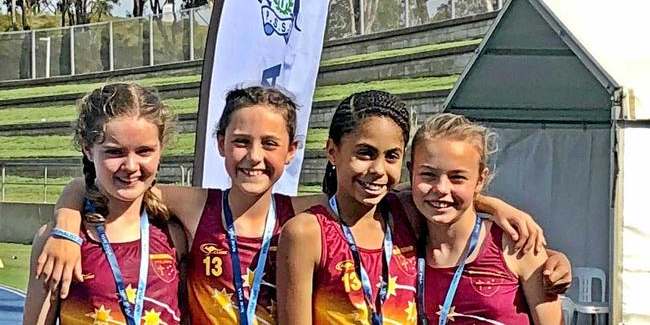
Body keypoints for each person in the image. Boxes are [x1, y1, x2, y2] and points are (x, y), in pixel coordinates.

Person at [36, 87, 565, 325]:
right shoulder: (194, 209)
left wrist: (496, 207)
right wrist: (64, 219)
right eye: (241, 142)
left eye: (270, 145)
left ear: (293, 152)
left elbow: (425, 193)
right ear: (220, 143)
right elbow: (117, 187)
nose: (254, 157)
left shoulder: (306, 214)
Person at [275, 91, 570, 324]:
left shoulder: (404, 217)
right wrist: (494, 206)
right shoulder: (310, 231)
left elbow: (444, 197)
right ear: (332, 151)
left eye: (390, 156)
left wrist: (497, 209)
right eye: (364, 154)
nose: (377, 169)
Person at [23, 83, 186, 325]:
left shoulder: (175, 232)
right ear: (88, 150)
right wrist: (66, 224)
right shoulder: (59, 241)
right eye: (115, 152)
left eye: (144, 151)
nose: (131, 166)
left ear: (161, 150)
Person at [410, 113, 562, 324]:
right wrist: (492, 205)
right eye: (428, 175)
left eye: (457, 177)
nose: (441, 188)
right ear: (410, 173)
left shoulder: (516, 244)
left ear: (480, 180)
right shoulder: (402, 246)